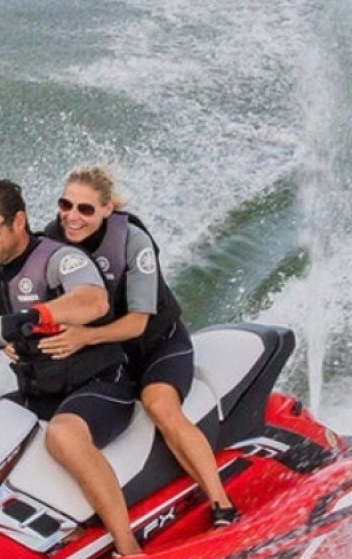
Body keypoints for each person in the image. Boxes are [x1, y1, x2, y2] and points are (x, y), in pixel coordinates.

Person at [0, 178, 144, 556]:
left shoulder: (58, 259)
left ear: (18, 221)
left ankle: (128, 548)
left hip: (100, 385)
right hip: (39, 393)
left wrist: (33, 317)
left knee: (63, 436)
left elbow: (93, 301)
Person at [41, 165, 236, 527]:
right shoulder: (52, 243)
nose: (72, 216)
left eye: (85, 209)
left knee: (159, 406)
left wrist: (85, 337)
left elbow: (138, 323)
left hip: (156, 347)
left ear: (107, 209)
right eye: (65, 205)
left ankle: (222, 503)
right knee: (59, 427)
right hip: (108, 362)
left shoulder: (132, 241)